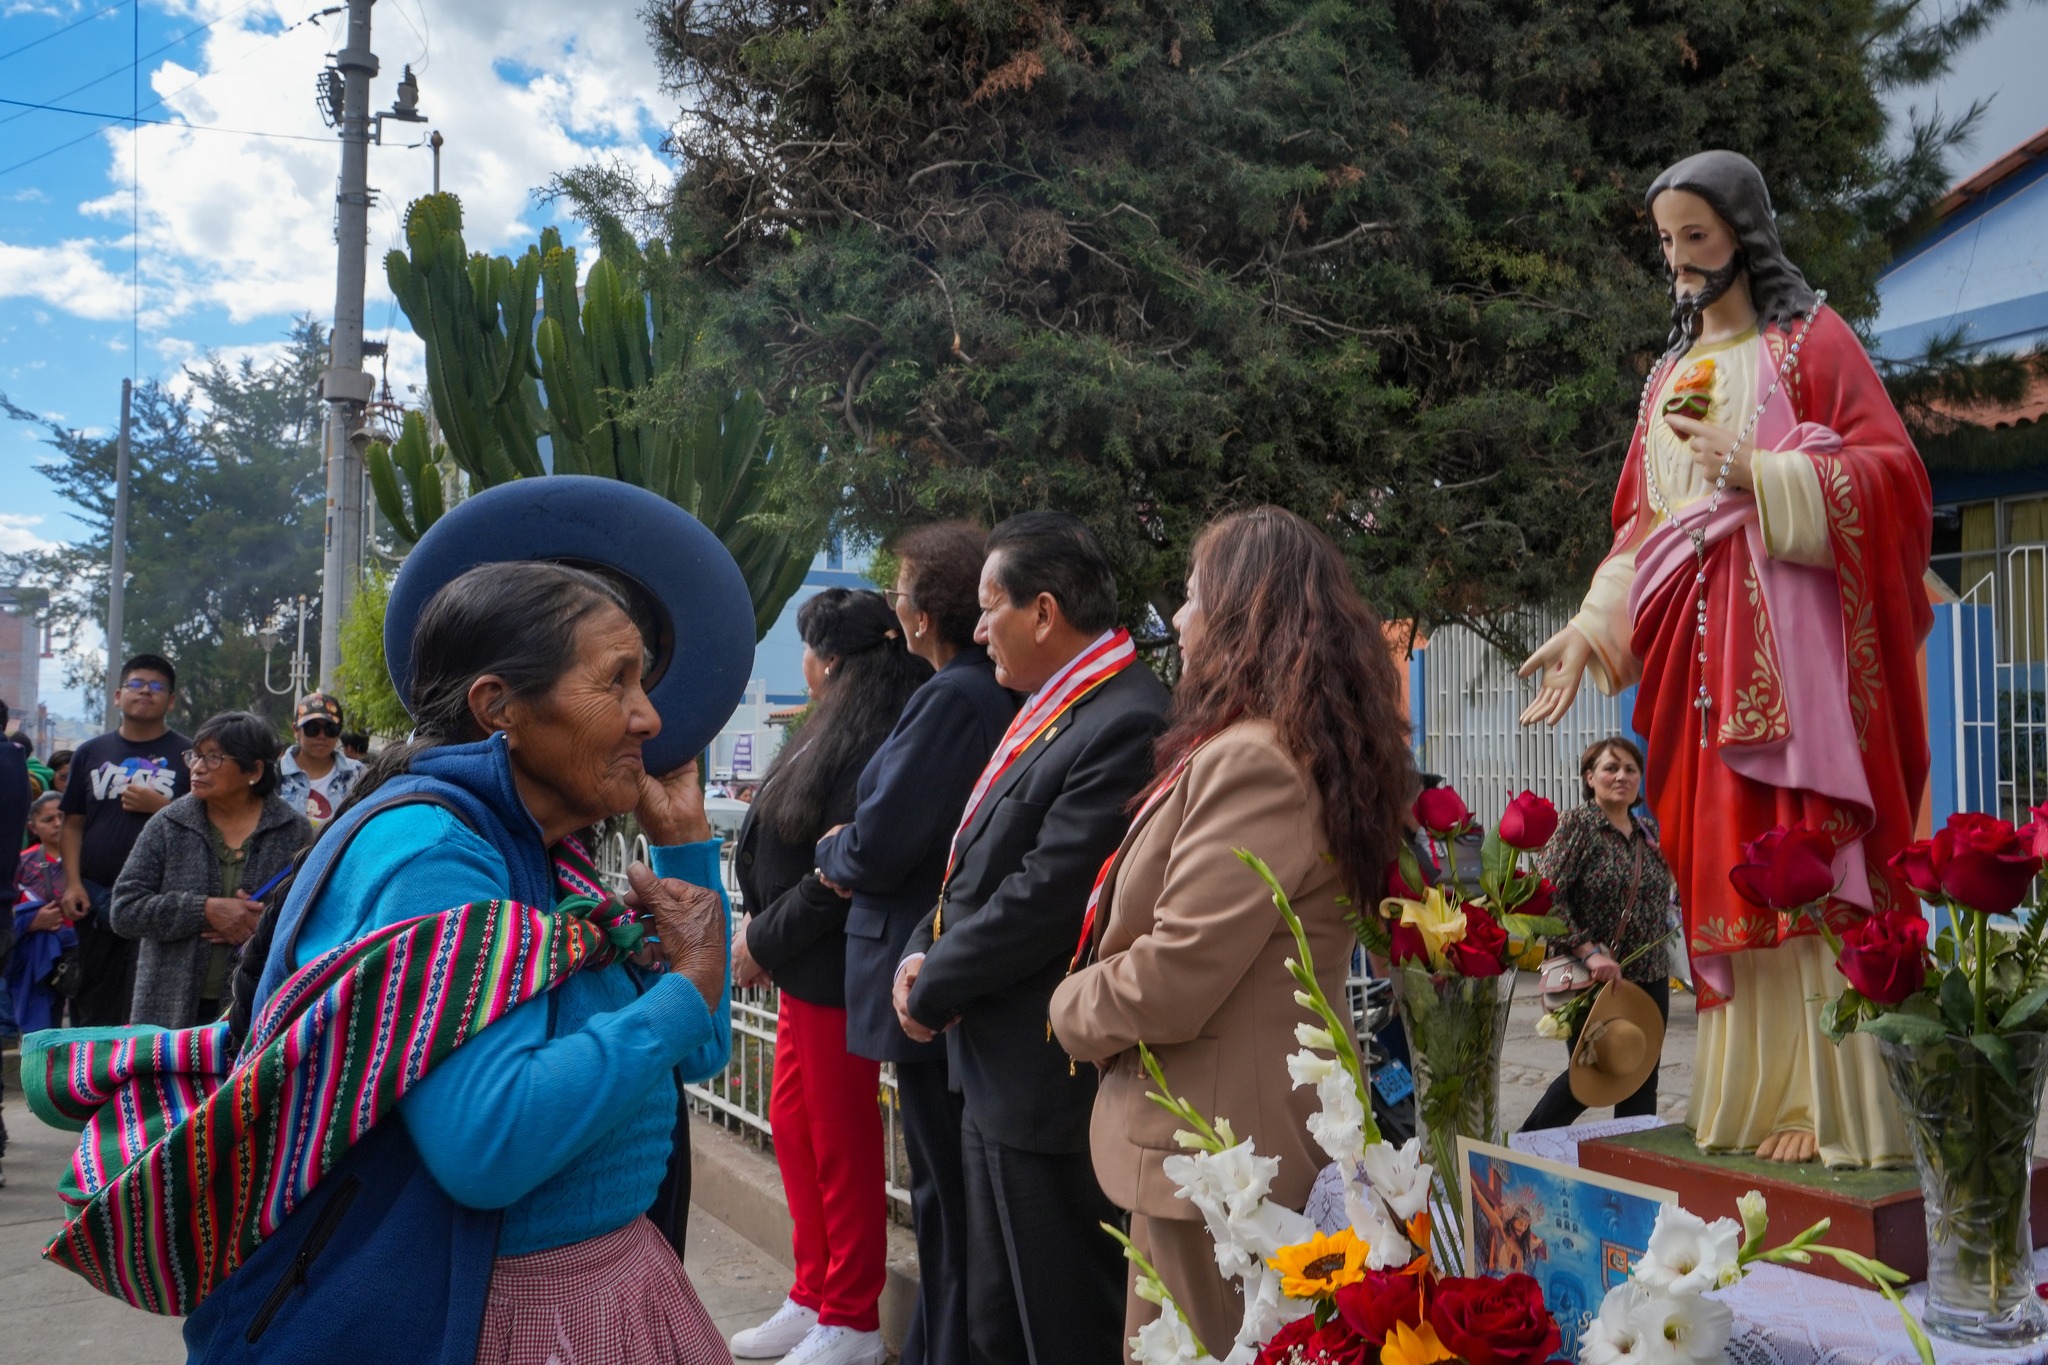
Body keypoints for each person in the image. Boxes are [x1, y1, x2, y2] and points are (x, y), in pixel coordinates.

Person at [1518, 150, 1928, 1168]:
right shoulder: (1663, 377)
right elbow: (1642, 530)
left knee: (1808, 863)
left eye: (1693, 239)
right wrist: (1587, 627)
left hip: (1802, 681)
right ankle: (1747, 1095)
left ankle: (1830, 1103)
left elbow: (1892, 478)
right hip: (1698, 688)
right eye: (1665, 243)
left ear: (1741, 233)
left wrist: (1762, 475)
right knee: (1728, 877)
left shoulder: (1808, 345)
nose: (1678, 263)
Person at [1047, 507, 1417, 1351]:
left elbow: (1177, 974)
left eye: (1189, 596)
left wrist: (1068, 1005)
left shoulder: (1254, 757)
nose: (1175, 619)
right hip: (1229, 1141)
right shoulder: (1277, 746)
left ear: (1244, 612)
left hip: (1221, 1153)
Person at [895, 511, 1170, 1365]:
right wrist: (918, 953)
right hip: (995, 1070)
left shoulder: (1125, 716)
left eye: (990, 608)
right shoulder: (1058, 708)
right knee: (996, 1321)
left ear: (1044, 611)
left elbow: (1046, 893)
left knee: (1061, 1322)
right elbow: (973, 860)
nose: (977, 631)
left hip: (1047, 1077)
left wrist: (935, 981)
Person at [813, 523, 1018, 1365]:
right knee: (949, 1192)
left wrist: (834, 847)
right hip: (941, 964)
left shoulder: (952, 697)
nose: (894, 604)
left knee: (945, 1196)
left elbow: (885, 834)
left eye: (900, 589)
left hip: (921, 968)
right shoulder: (980, 692)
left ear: (923, 614)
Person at [728, 589, 932, 1365]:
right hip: (802, 966)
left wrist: (763, 940)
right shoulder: (833, 723)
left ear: (832, 661)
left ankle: (850, 1313)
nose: (804, 666)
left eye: (810, 651)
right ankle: (813, 1289)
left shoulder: (879, 735)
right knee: (795, 1121)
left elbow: (838, 873)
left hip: (835, 961)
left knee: (839, 1137)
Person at [110, 711, 313, 1030]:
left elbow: (312, 917)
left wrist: (263, 925)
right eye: (196, 755)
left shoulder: (293, 832)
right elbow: (124, 909)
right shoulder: (168, 824)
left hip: (256, 1010)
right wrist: (204, 910)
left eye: (214, 757)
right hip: (168, 1013)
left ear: (255, 770)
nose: (198, 767)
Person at [1518, 738, 1676, 1132]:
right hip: (1593, 977)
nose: (1621, 776)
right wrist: (1590, 953)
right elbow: (1543, 896)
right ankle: (1525, 1145)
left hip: (1649, 975)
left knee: (1639, 1077)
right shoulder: (1578, 825)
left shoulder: (1647, 830)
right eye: (1611, 768)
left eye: (1630, 769)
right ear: (1590, 777)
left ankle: (1633, 1169)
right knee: (1589, 1076)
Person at [58, 652, 192, 1027]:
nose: (145, 692)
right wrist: (70, 884)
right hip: (95, 895)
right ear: (118, 696)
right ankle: (92, 1079)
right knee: (92, 996)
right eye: (136, 684)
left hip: (160, 899)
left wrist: (160, 806)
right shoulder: (90, 752)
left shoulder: (187, 755)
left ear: (171, 699)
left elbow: (203, 821)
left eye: (156, 686)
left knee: (149, 998)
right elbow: (72, 824)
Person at [9, 792, 76, 1038]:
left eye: (62, 816)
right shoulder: (21, 863)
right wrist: (30, 922)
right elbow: (7, 915)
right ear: (32, 827)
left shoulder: (89, 857)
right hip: (37, 962)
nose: (57, 824)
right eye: (48, 820)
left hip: (83, 955)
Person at [276, 692, 366, 828]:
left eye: (331, 729)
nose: (322, 736)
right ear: (296, 730)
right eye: (312, 728)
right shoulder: (274, 774)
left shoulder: (358, 774)